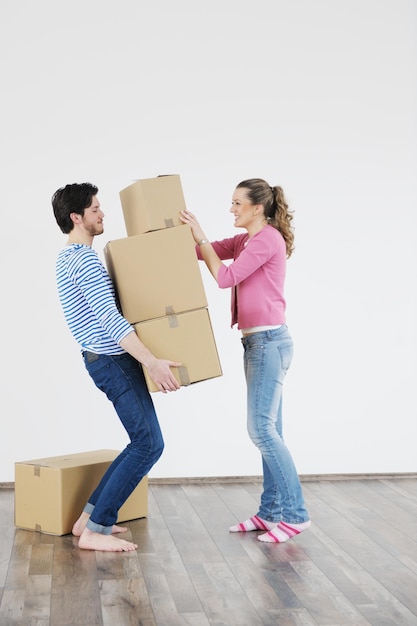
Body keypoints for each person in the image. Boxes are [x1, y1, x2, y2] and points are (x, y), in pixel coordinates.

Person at [52, 182, 181, 552]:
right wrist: (152, 362)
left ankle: (88, 518)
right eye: (95, 209)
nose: (102, 213)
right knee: (149, 444)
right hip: (113, 362)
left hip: (102, 360)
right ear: (76, 217)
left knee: (140, 442)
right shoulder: (84, 259)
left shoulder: (65, 258)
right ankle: (95, 529)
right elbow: (110, 320)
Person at [180, 178, 310, 543]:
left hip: (269, 343)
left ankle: (297, 515)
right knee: (272, 431)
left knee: (262, 431)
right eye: (232, 203)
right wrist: (175, 238)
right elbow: (202, 251)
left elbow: (225, 277)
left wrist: (201, 237)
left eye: (238, 203)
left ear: (258, 208)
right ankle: (270, 513)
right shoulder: (245, 240)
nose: (232, 209)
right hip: (258, 344)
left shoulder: (268, 239)